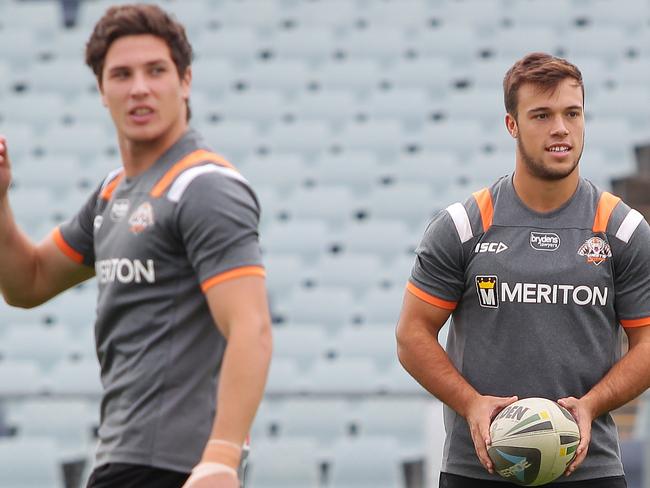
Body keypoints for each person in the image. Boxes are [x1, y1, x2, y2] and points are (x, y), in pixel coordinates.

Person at [0, 4, 272, 488]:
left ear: (185, 81)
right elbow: (28, 283)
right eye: (121, 74)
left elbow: (250, 327)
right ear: (102, 91)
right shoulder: (112, 192)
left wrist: (221, 457)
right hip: (123, 456)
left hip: (184, 465)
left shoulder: (205, 186)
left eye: (156, 71)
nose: (139, 87)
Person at [396, 52, 650, 488]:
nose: (560, 128)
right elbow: (411, 335)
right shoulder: (462, 227)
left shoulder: (623, 230)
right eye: (541, 115)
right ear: (511, 124)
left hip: (588, 471)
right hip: (477, 470)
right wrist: (472, 403)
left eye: (573, 113)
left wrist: (590, 405)